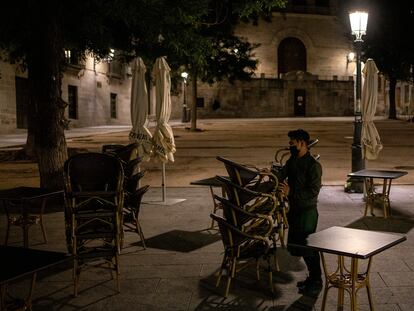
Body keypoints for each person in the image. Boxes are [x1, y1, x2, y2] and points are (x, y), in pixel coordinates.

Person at [278, 129, 323, 297]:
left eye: (292, 143)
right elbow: (283, 173)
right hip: (295, 211)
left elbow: (313, 192)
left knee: (309, 248)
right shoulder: (293, 161)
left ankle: (317, 280)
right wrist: (272, 174)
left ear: (302, 143)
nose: (290, 146)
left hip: (307, 213)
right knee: (300, 247)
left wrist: (291, 192)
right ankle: (312, 279)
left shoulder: (313, 166)